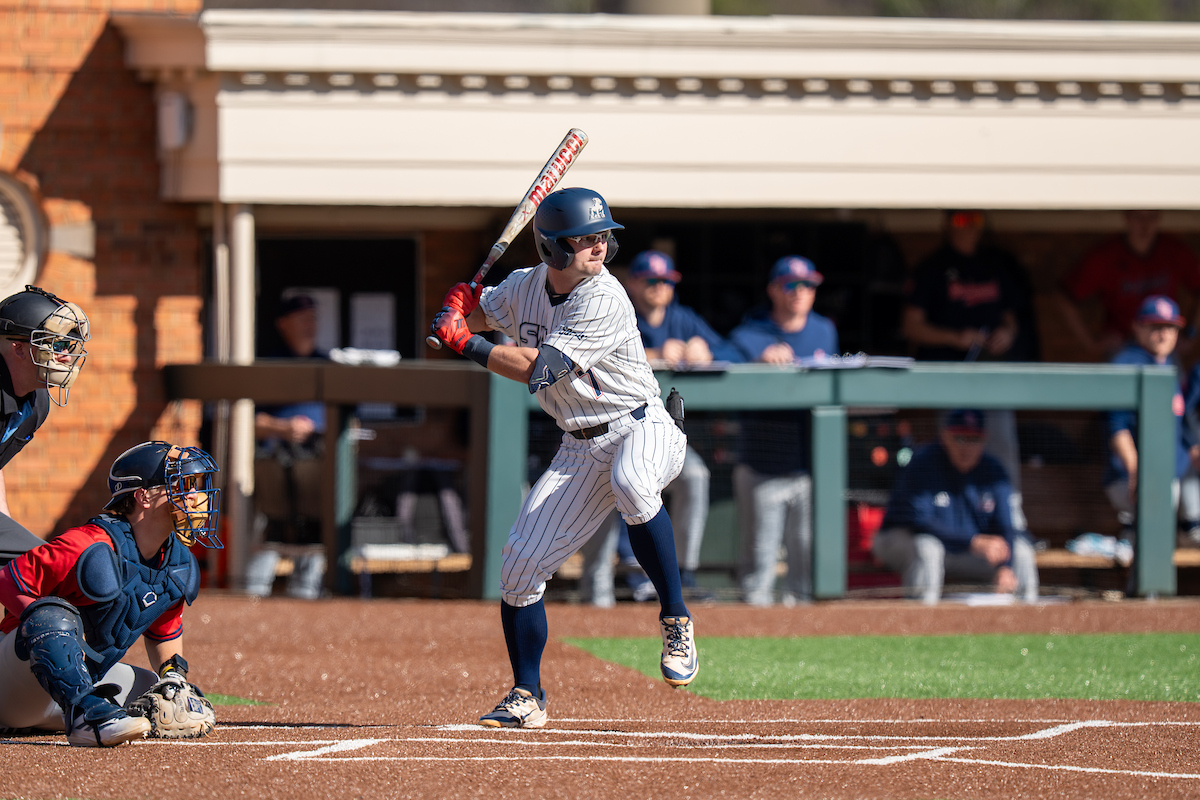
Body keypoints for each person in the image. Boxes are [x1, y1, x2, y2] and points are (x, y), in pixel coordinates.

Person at [430, 187, 697, 728]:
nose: (599, 247)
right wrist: (454, 311)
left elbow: (543, 368)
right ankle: (527, 695)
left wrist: (466, 345)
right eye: (585, 239)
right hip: (578, 444)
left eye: (604, 237)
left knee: (632, 481)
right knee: (519, 567)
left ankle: (675, 616)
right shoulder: (524, 287)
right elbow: (476, 319)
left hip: (643, 426)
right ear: (552, 248)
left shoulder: (605, 296)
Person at [0, 441, 221, 746]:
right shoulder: (87, 545)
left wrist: (174, 678)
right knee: (51, 615)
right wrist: (41, 622)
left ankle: (80, 708)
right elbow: (7, 580)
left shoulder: (177, 562)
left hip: (60, 693)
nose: (196, 496)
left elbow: (164, 630)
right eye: (183, 484)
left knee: (153, 687)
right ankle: (85, 718)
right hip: (12, 684)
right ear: (144, 496)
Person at [578, 249, 739, 602]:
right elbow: (581, 355)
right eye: (651, 280)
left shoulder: (684, 319)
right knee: (607, 489)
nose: (659, 287)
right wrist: (650, 355)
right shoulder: (617, 310)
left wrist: (708, 352)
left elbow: (736, 351)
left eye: (665, 281)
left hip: (661, 434)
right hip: (607, 431)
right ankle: (598, 588)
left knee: (695, 476)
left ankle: (684, 572)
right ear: (633, 283)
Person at [901, 210, 1030, 527]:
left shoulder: (994, 264)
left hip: (990, 375)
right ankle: (954, 520)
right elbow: (911, 326)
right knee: (956, 448)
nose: (968, 228)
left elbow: (1012, 319)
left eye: (975, 221)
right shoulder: (933, 267)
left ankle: (1010, 520)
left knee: (1001, 444)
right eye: (960, 220)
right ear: (946, 224)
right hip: (949, 378)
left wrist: (1006, 335)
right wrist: (955, 338)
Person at [728, 255, 837, 606]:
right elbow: (725, 357)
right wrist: (760, 359)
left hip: (807, 466)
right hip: (762, 466)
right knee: (759, 564)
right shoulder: (751, 332)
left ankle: (802, 642)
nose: (800, 292)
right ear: (774, 290)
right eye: (791, 285)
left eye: (808, 285)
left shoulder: (824, 330)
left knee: (804, 562)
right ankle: (750, 636)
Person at [873, 409, 1039, 604]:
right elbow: (920, 522)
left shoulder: (993, 470)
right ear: (945, 436)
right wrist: (973, 541)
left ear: (984, 440)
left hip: (967, 550)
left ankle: (1028, 625)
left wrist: (1006, 566)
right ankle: (920, 625)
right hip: (902, 541)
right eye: (959, 438)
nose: (966, 447)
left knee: (1021, 551)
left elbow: (1007, 525)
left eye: (973, 439)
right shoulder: (923, 463)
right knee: (928, 548)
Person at [245, 294, 327, 600]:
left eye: (313, 318)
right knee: (271, 533)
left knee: (316, 534)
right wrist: (283, 428)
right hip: (274, 472)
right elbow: (244, 421)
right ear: (283, 324)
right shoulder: (269, 364)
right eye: (303, 318)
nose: (310, 325)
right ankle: (251, 600)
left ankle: (306, 596)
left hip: (316, 472)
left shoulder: (327, 364)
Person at [0, 286, 90, 564]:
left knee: (30, 568)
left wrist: (6, 525)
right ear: (17, 348)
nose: (66, 355)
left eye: (70, 346)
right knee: (52, 564)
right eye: (56, 344)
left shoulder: (37, 403)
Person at [1105, 296, 1196, 545]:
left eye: (1170, 327)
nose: (1163, 334)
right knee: (1150, 545)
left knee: (1169, 540)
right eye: (1155, 327)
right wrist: (1137, 472)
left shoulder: (1171, 362)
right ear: (1137, 327)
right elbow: (1117, 427)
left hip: (1171, 472)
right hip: (1135, 475)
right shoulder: (1126, 362)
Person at [1058, 210, 1200, 361]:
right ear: (1126, 218)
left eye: (1151, 217)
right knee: (1120, 381)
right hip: (1122, 343)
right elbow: (1064, 296)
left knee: (1169, 382)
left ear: (1159, 218)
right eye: (1138, 217)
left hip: (1161, 343)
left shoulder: (1173, 251)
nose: (1144, 225)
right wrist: (1090, 342)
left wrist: (1191, 334)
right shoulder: (1107, 255)